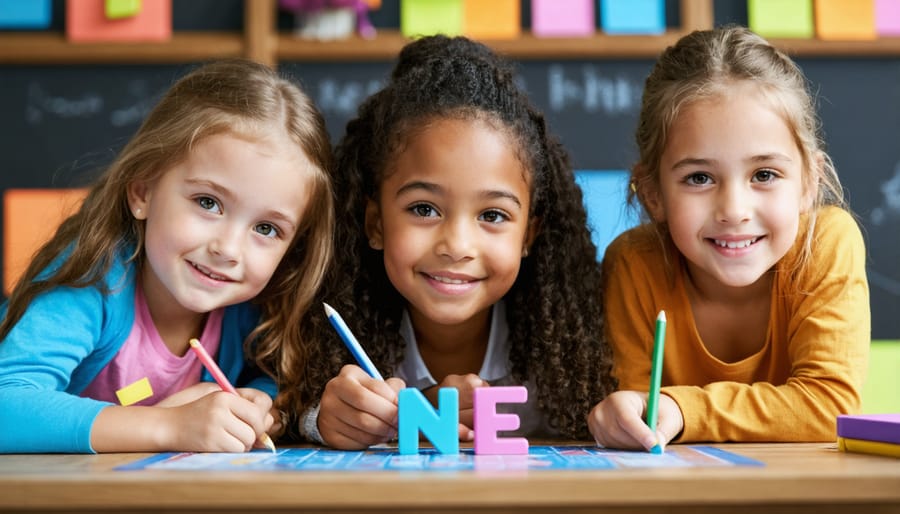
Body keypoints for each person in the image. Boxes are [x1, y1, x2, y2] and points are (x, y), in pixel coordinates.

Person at [291, 35, 616, 449]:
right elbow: (286, 409)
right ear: (375, 223)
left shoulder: (573, 348)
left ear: (528, 236)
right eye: (424, 209)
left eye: (492, 215)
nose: (456, 245)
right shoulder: (328, 336)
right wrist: (321, 421)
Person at [0, 59, 335, 453]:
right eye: (208, 202)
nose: (227, 249)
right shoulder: (94, 277)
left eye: (266, 229)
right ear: (143, 192)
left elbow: (266, 378)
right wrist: (168, 425)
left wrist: (258, 403)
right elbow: (8, 405)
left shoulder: (249, 309)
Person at [587, 26, 870, 451]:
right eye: (699, 178)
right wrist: (623, 418)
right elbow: (637, 415)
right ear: (652, 194)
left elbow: (830, 405)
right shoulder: (634, 264)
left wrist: (684, 411)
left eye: (764, 175)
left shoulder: (827, 243)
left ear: (809, 182)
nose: (734, 209)